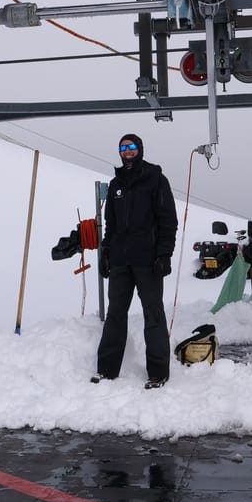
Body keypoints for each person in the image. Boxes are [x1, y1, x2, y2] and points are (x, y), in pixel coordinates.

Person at [92, 132, 178, 389]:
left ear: (140, 149)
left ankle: (158, 372)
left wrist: (164, 255)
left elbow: (168, 221)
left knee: (153, 314)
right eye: (123, 147)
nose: (127, 151)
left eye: (131, 147)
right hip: (120, 260)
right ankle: (106, 370)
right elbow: (111, 225)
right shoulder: (116, 184)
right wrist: (106, 253)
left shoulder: (156, 180)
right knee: (116, 314)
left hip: (148, 261)